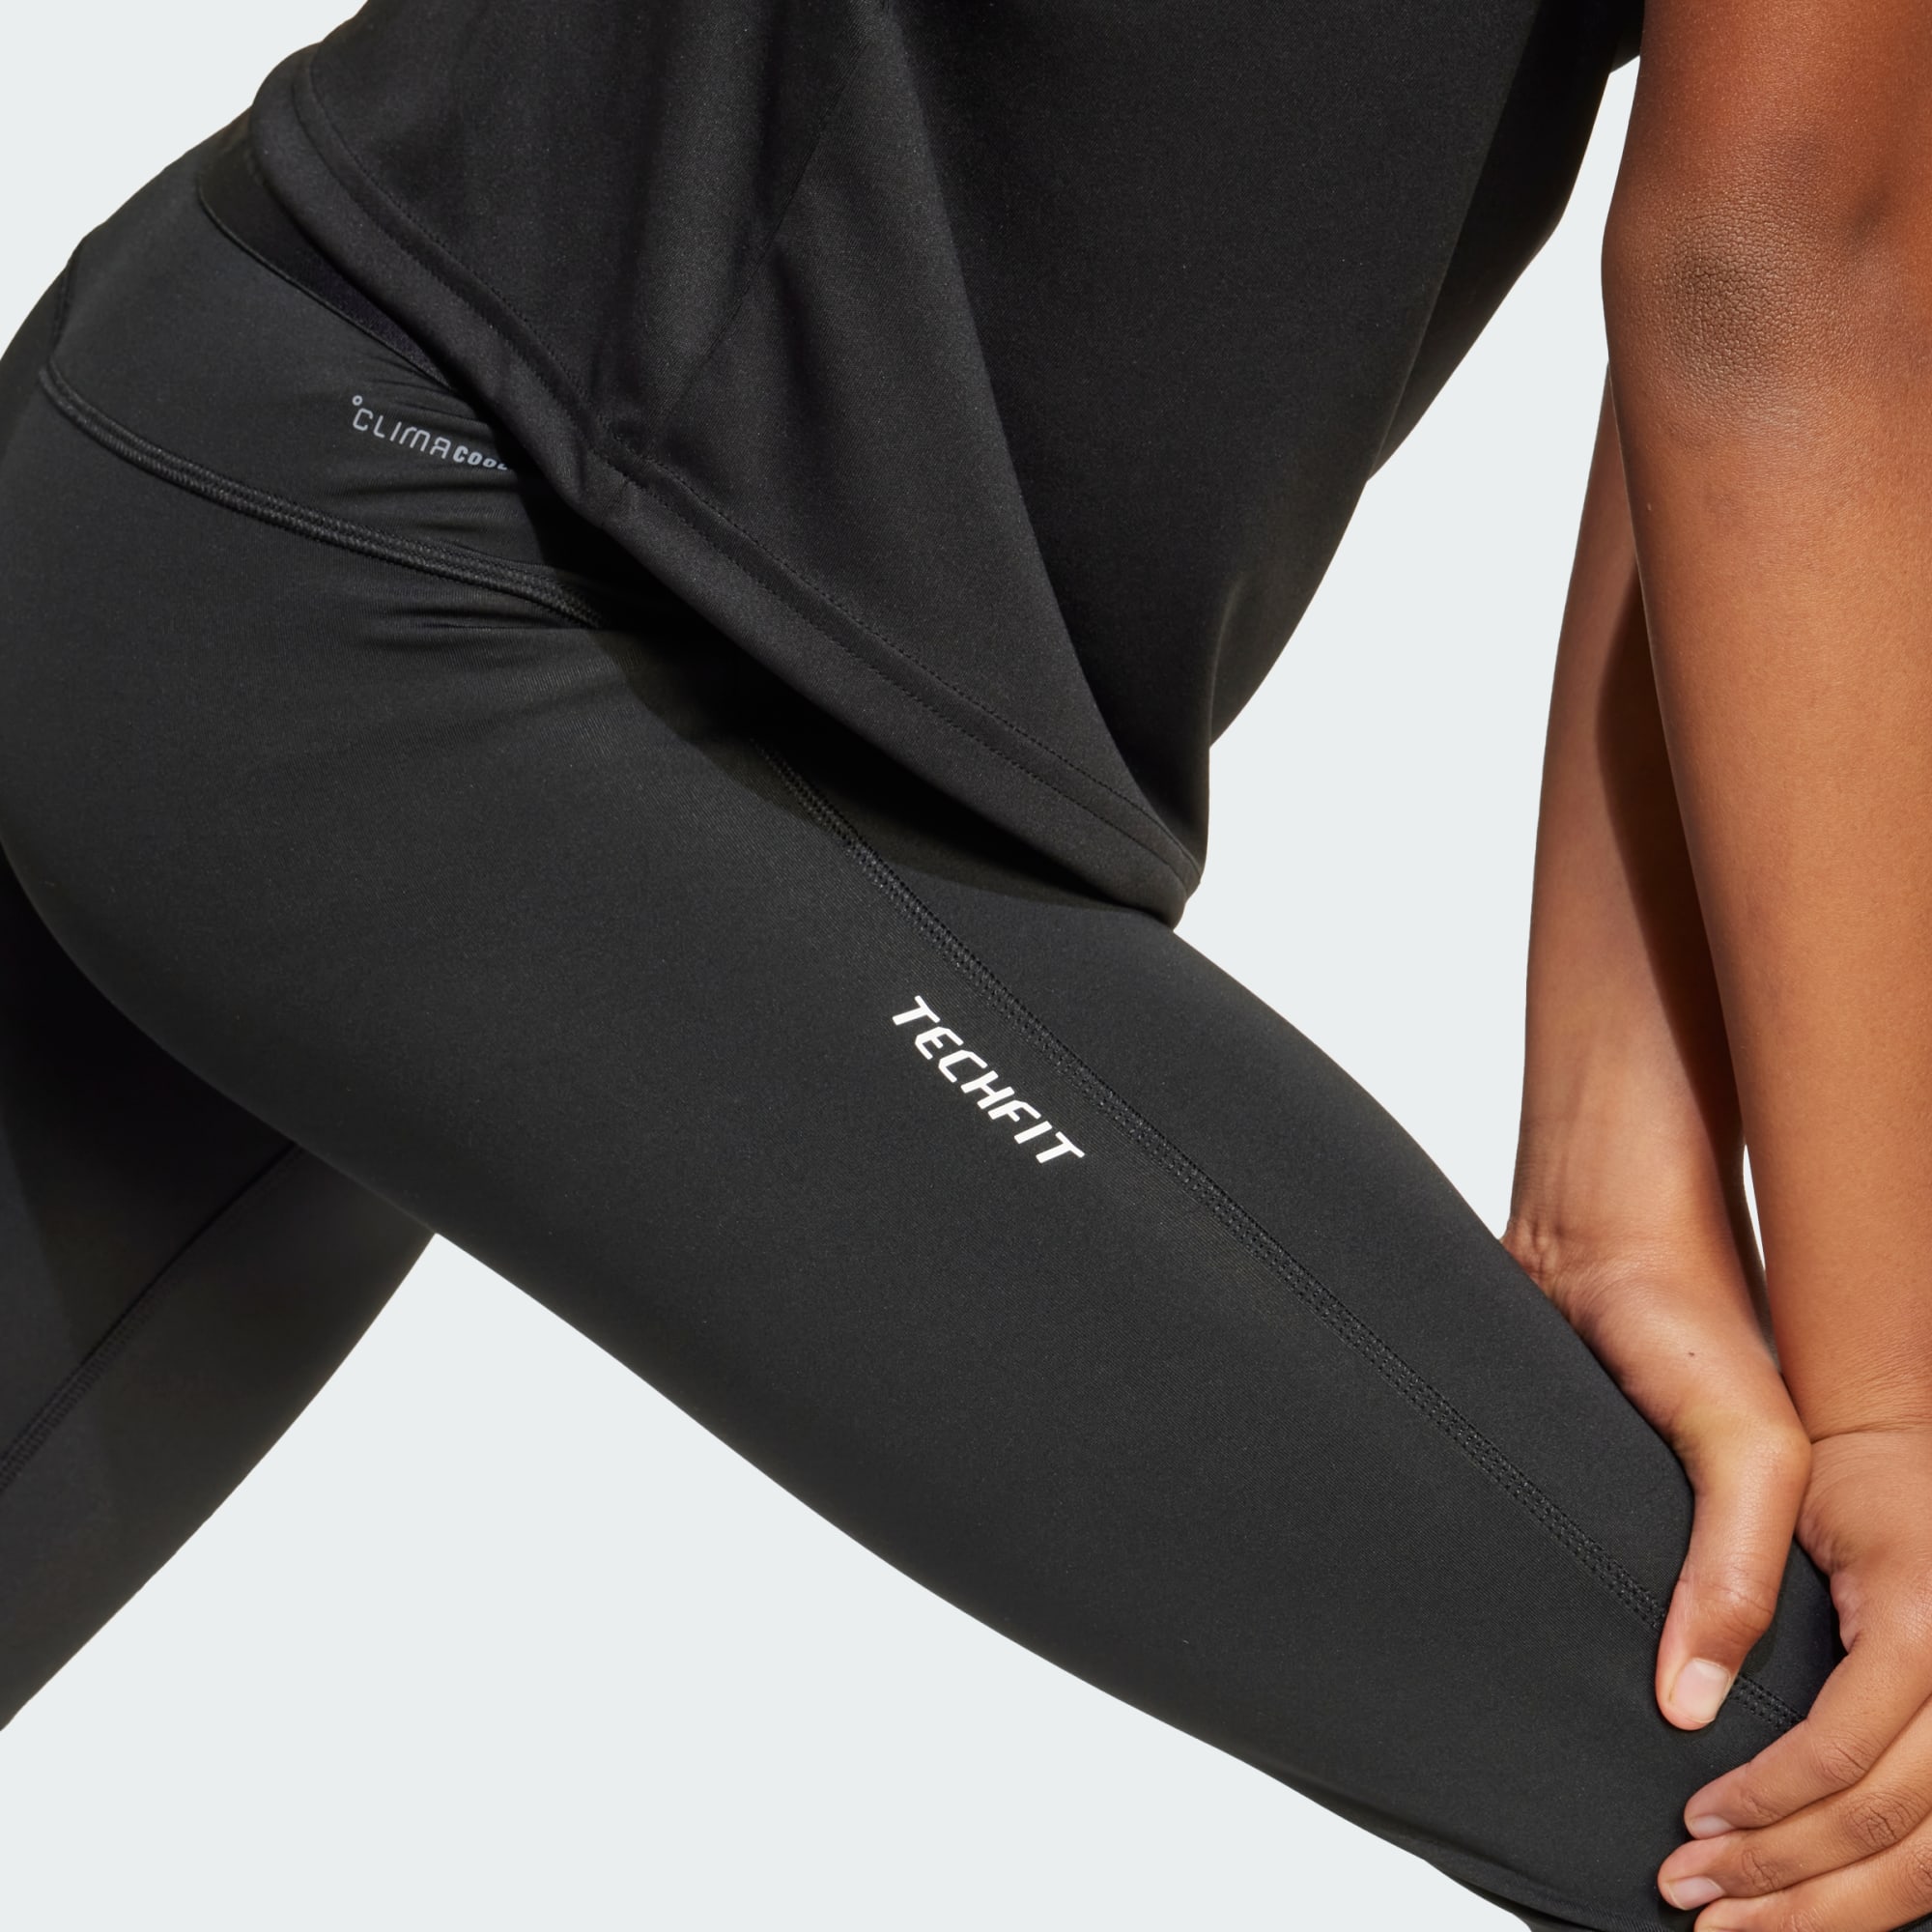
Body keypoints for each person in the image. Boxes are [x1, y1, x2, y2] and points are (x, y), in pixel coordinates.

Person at [3, 1, 1929, 1928]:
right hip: (446, 572)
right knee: (1817, 1774)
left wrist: (1622, 1170)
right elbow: (1782, 262)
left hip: (294, 452)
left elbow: (1797, 201)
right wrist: (1889, 1412)